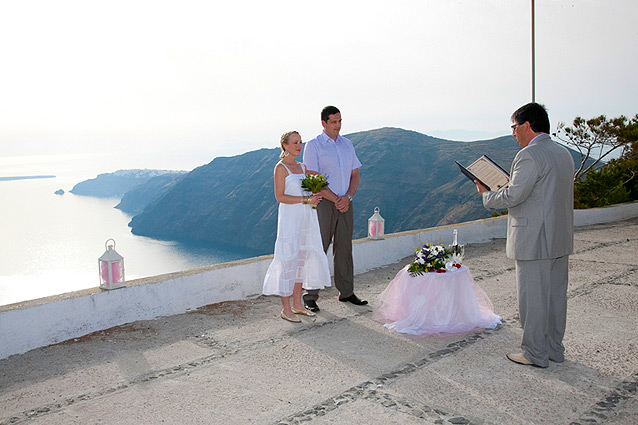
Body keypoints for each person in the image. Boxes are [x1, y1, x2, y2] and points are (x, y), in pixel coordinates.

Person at [475, 102, 574, 368]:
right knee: (555, 297)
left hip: (534, 239)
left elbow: (514, 195)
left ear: (527, 125)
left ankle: (534, 353)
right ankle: (554, 349)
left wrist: (486, 194)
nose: (513, 133)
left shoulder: (529, 156)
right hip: (559, 237)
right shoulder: (564, 154)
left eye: (514, 127)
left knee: (533, 300)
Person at [302, 106, 366, 312]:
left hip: (346, 202)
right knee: (318, 247)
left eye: (340, 121)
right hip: (324, 203)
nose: (338, 126)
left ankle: (346, 292)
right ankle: (309, 295)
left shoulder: (348, 145)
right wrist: (336, 198)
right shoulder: (314, 146)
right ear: (323, 123)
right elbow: (312, 177)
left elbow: (355, 174)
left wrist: (347, 197)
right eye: (334, 122)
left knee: (345, 248)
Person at [262, 131, 331, 322]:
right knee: (287, 260)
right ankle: (286, 308)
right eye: (295, 142)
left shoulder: (302, 167)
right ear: (285, 145)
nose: (299, 146)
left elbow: (307, 193)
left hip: (306, 218)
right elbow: (280, 197)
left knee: (302, 258)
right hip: (290, 220)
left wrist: (313, 199)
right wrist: (306, 199)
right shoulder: (281, 167)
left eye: (300, 142)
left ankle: (298, 304)